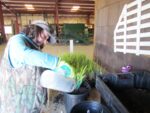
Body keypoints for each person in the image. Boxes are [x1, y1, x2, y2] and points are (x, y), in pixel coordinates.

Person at [0, 20, 74, 113]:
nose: (45, 42)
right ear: (34, 30)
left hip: (32, 106)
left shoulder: (34, 49)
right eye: (44, 36)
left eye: (47, 39)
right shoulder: (16, 40)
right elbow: (24, 55)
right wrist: (57, 62)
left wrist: (60, 72)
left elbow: (39, 70)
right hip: (15, 106)